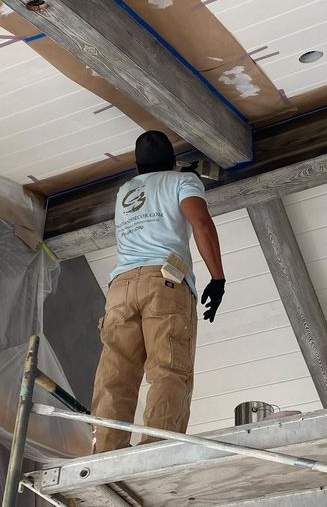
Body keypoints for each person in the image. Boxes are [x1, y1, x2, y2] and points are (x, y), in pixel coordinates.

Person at [91, 130, 226, 453]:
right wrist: (218, 278)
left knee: (116, 375)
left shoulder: (126, 190)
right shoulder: (183, 182)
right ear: (171, 162)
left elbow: (153, 183)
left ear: (137, 167)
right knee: (168, 369)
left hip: (120, 289)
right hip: (163, 284)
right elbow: (201, 223)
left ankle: (106, 453)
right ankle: (157, 451)